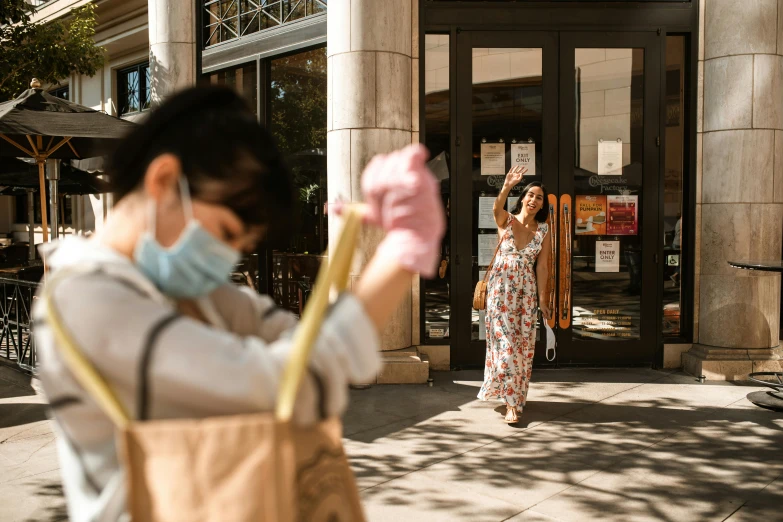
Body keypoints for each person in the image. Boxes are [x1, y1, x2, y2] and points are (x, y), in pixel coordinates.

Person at [32, 86, 445, 522]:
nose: (228, 258)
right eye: (227, 233)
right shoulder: (86, 296)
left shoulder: (187, 292)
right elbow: (286, 386)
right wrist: (401, 253)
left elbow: (311, 349)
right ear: (165, 181)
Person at [477, 166, 551, 424]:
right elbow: (495, 210)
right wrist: (507, 185)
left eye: (539, 197)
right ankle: (511, 406)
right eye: (530, 195)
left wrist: (543, 299)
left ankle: (517, 399)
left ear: (543, 205)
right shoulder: (506, 220)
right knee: (506, 347)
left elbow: (542, 266)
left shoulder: (543, 230)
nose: (533, 200)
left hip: (526, 294)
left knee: (522, 349)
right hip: (501, 292)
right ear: (523, 198)